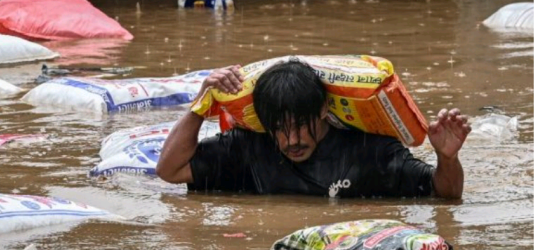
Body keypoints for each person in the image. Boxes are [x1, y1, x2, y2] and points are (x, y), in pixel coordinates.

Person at [156, 60, 471, 199]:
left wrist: (447, 158)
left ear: (323, 110)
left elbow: (445, 195)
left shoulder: (369, 152)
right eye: (279, 129)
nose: (291, 140)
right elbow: (170, 170)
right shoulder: (248, 148)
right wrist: (201, 104)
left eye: (299, 127)